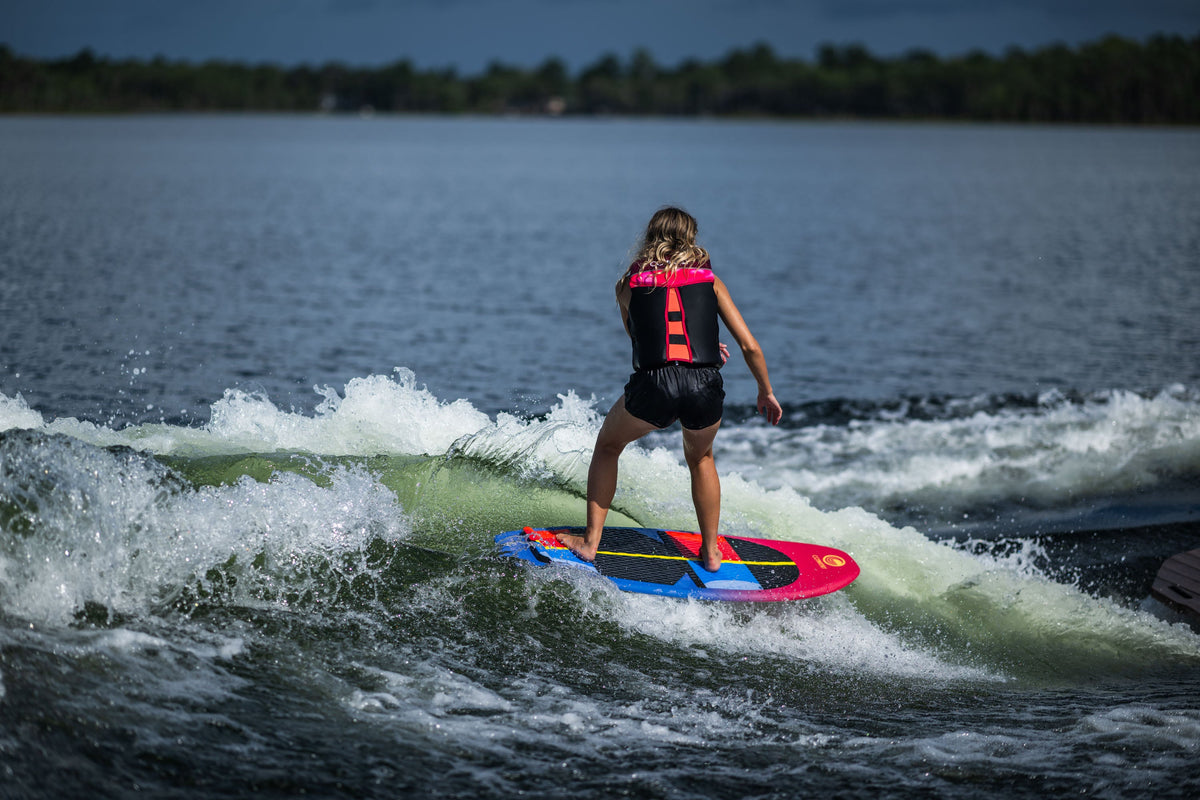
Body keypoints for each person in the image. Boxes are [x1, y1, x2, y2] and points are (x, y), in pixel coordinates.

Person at [557, 207, 783, 573]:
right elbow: (751, 347)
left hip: (655, 385)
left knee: (609, 445)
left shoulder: (626, 286)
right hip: (704, 384)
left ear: (650, 237)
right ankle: (711, 553)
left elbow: (642, 341)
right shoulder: (710, 281)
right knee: (702, 458)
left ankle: (589, 543)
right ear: (691, 238)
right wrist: (765, 391)